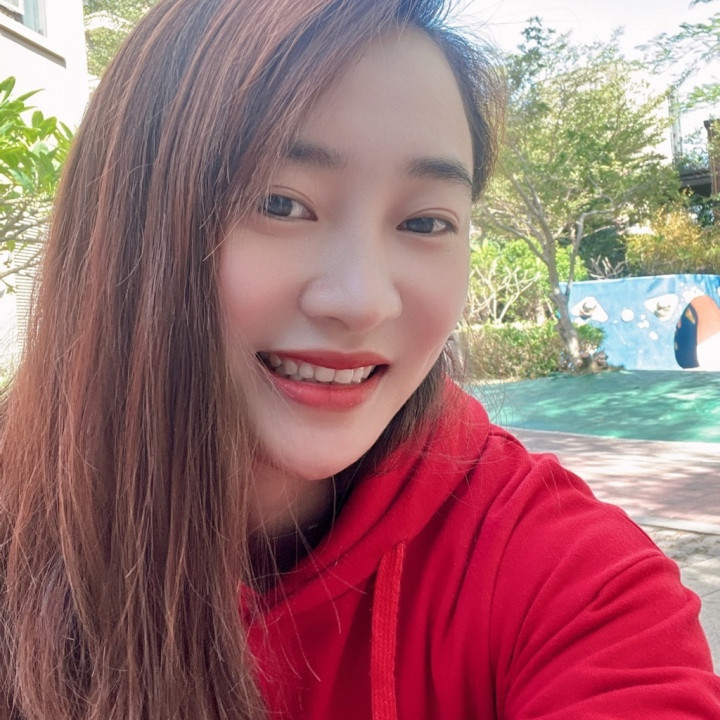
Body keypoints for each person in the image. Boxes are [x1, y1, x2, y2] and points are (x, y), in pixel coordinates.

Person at [0, 0, 718, 718]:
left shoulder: (565, 576)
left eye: (425, 221)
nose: (363, 301)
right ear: (125, 220)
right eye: (280, 204)